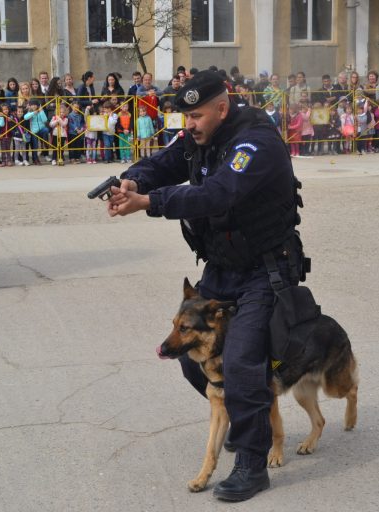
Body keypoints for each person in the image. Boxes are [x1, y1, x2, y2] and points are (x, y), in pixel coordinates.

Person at [105, 70, 306, 503]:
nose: (189, 125)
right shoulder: (200, 136)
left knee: (240, 362)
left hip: (263, 270)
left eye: (195, 116)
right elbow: (164, 162)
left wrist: (151, 203)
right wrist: (133, 180)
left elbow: (219, 193)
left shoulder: (255, 141)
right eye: (185, 117)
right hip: (221, 268)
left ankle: (252, 464)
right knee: (188, 354)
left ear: (221, 106)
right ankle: (244, 417)